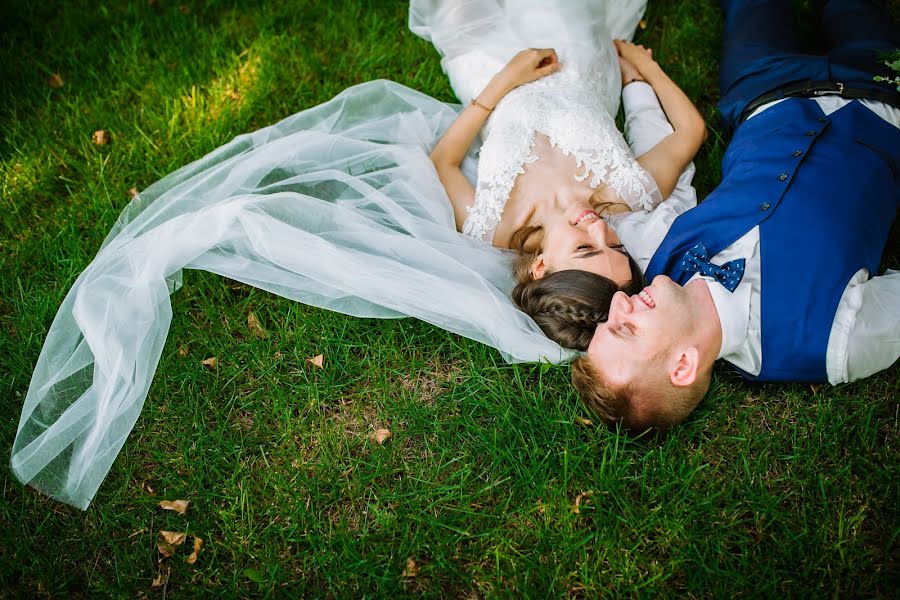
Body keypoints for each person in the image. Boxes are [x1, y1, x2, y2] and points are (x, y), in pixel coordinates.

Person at [10, 1, 699, 509]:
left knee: (459, 19)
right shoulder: (623, 191)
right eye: (612, 244)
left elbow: (443, 157)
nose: (601, 228)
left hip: (493, 75)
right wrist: (641, 64)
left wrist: (499, 89)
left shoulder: (488, 227)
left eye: (590, 245)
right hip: (579, 64)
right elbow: (691, 131)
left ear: (542, 265)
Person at [569, 0, 900, 432]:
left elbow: (656, 166)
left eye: (608, 319)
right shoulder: (836, 341)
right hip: (884, 95)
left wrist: (635, 82)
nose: (617, 302)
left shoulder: (656, 258)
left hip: (764, 89)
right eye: (625, 328)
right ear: (683, 364)